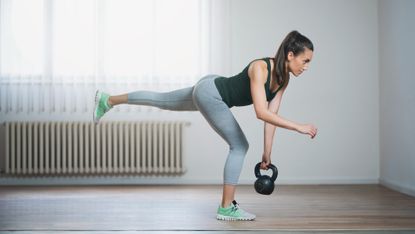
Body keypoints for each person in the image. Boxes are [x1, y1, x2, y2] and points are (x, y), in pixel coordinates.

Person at [93, 30, 317, 221]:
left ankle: (108, 100)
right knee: (239, 146)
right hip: (212, 94)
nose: (307, 67)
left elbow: (271, 117)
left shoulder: (283, 81)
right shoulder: (261, 68)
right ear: (290, 55)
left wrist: (267, 153)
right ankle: (226, 207)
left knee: (161, 100)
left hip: (210, 86)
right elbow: (261, 112)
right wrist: (298, 126)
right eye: (305, 60)